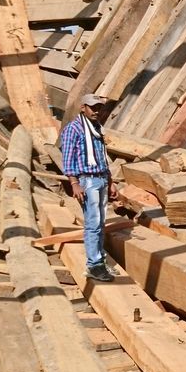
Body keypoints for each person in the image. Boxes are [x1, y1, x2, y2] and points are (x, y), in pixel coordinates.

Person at [60, 93, 117, 282]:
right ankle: (94, 265)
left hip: (100, 178)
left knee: (100, 223)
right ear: (83, 107)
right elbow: (67, 159)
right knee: (93, 223)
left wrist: (110, 182)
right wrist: (74, 183)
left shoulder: (97, 128)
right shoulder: (73, 129)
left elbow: (102, 158)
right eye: (93, 107)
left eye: (99, 107)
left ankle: (99, 260)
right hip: (88, 181)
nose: (97, 111)